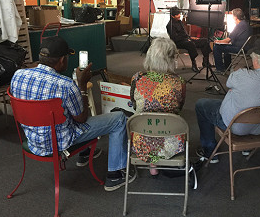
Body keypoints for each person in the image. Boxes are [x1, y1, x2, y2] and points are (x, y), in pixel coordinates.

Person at [10, 36, 134, 192]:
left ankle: (85, 153)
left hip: (33, 140)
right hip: (60, 142)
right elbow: (81, 118)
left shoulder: (18, 75)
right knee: (118, 119)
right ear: (62, 60)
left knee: (66, 112)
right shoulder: (65, 85)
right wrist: (81, 85)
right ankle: (115, 174)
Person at [195, 36, 260, 163]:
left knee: (201, 105)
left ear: (256, 60)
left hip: (236, 126)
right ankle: (248, 148)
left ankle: (209, 151)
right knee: (254, 106)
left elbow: (229, 83)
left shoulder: (243, 75)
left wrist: (238, 74)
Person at [130, 37, 186, 175]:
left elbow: (134, 103)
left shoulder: (137, 78)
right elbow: (179, 107)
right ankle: (159, 158)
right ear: (172, 59)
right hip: (171, 144)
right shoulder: (179, 82)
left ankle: (152, 164)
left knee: (144, 118)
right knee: (173, 118)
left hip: (141, 143)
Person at [166, 6, 211, 72]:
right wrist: (187, 39)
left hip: (187, 39)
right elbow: (174, 38)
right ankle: (194, 64)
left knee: (205, 41)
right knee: (190, 44)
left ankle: (205, 61)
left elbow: (184, 33)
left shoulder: (180, 22)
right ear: (173, 16)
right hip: (178, 42)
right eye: (177, 15)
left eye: (179, 14)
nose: (179, 16)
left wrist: (190, 37)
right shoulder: (170, 25)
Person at [213, 8, 252, 73]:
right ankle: (227, 66)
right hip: (246, 47)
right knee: (226, 47)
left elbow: (228, 40)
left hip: (240, 48)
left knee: (217, 48)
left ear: (235, 17)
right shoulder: (246, 24)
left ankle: (219, 69)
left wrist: (218, 42)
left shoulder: (239, 26)